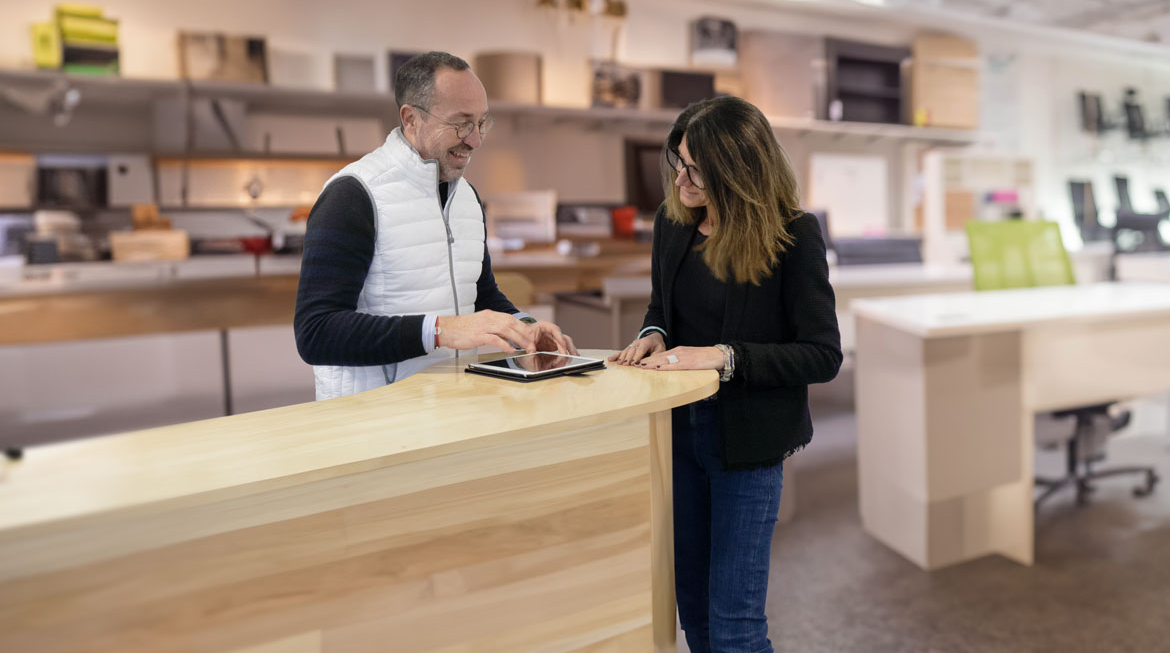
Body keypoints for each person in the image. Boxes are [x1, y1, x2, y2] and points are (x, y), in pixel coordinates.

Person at [609, 95, 841, 652]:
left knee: (736, 626)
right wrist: (653, 333)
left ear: (737, 170)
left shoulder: (793, 235)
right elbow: (661, 307)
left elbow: (822, 354)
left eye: (695, 169)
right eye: (679, 162)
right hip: (678, 435)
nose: (680, 178)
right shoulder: (673, 223)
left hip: (748, 444)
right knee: (694, 611)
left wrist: (724, 355)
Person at [295, 50, 574, 399]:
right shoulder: (353, 194)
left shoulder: (467, 197)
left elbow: (480, 294)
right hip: (373, 418)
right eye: (461, 123)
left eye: (482, 123)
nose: (476, 139)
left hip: (454, 408)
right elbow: (316, 333)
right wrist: (441, 331)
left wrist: (526, 329)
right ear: (411, 119)